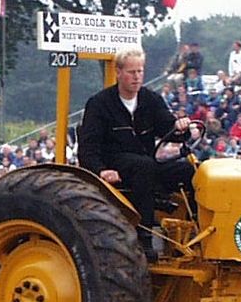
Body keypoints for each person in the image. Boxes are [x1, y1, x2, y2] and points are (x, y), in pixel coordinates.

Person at [78, 47, 194, 262]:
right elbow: (88, 148)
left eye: (140, 71)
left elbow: (168, 127)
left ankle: (195, 231)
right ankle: (144, 237)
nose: (137, 77)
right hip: (116, 161)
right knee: (144, 166)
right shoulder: (100, 104)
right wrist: (101, 170)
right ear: (118, 72)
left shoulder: (151, 100)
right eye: (131, 72)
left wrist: (181, 128)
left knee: (190, 170)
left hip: (146, 161)